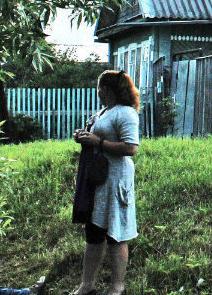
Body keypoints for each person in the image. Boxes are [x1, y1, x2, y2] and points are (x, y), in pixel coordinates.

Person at [70, 70, 139, 295]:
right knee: (93, 231)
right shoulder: (103, 112)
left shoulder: (126, 113)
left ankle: (116, 288)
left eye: (99, 88)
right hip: (97, 180)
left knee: (115, 233)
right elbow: (97, 138)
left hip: (116, 179)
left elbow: (131, 148)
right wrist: (84, 136)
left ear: (106, 89)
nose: (97, 92)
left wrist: (98, 141)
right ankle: (86, 285)